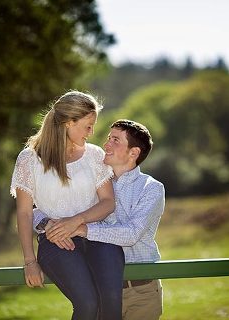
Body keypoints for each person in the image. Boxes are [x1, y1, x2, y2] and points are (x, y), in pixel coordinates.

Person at [34, 119, 165, 320]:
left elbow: (131, 234)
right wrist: (48, 224)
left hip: (141, 292)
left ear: (134, 153)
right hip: (99, 290)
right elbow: (39, 209)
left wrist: (83, 229)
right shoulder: (93, 182)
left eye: (115, 140)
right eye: (108, 138)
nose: (106, 145)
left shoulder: (151, 188)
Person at [10, 90, 124, 320]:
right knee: (88, 304)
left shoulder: (94, 155)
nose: (91, 133)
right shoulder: (29, 159)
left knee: (111, 304)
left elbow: (108, 202)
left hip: (98, 236)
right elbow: (23, 213)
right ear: (68, 123)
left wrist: (76, 220)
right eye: (87, 126)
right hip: (56, 243)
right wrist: (30, 261)